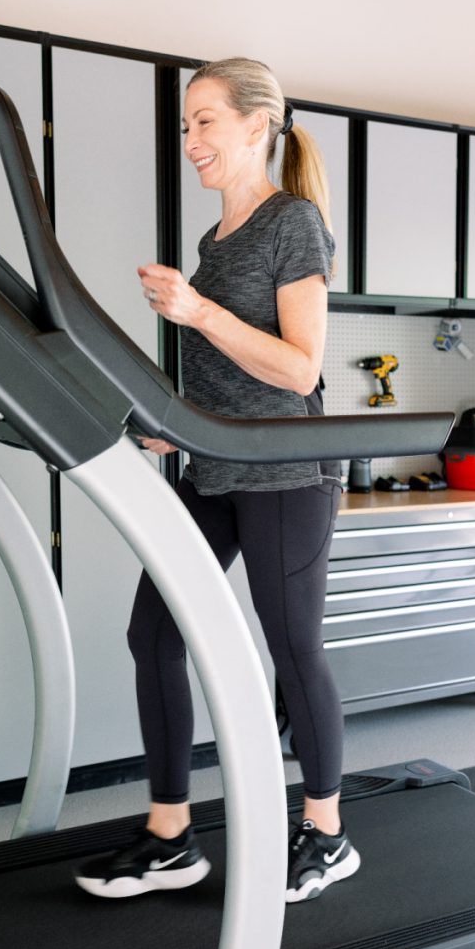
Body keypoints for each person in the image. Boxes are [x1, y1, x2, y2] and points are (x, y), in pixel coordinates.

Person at [75, 57, 361, 904]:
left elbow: (299, 368)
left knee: (291, 648)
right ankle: (170, 838)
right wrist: (176, 422)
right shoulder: (213, 240)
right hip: (212, 468)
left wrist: (196, 311)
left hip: (284, 475)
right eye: (185, 124)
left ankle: (327, 834)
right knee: (153, 635)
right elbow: (230, 374)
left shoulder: (292, 222)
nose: (190, 139)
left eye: (204, 120)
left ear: (254, 125)